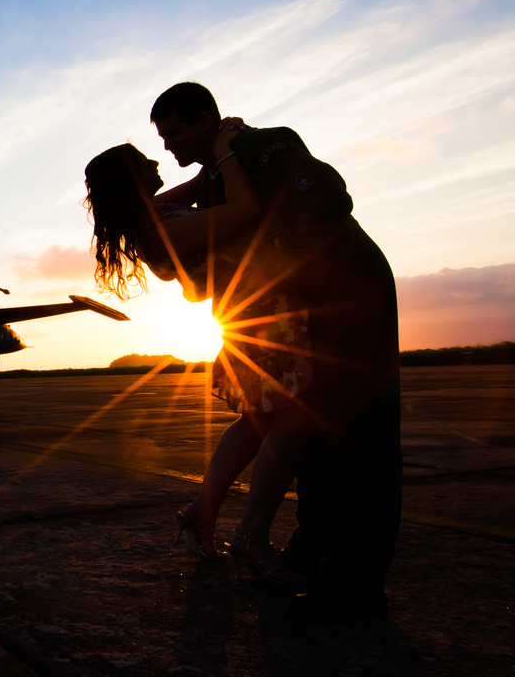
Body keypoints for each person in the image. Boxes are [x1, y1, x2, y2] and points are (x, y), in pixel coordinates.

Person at [149, 82, 402, 622]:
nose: (169, 148)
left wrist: (292, 260)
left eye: (175, 132)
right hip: (305, 308)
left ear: (205, 120)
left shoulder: (260, 147)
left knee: (359, 438)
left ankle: (354, 586)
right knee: (311, 434)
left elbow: (329, 201)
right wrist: (214, 162)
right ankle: (316, 558)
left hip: (348, 290)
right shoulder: (220, 171)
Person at [84, 135, 316, 589]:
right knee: (293, 423)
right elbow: (245, 208)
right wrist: (227, 150)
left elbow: (193, 185)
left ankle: (202, 510)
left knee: (257, 422)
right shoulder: (160, 229)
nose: (156, 159)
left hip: (251, 315)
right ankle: (250, 534)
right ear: (133, 179)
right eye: (143, 160)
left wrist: (215, 156)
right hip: (261, 320)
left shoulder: (151, 214)